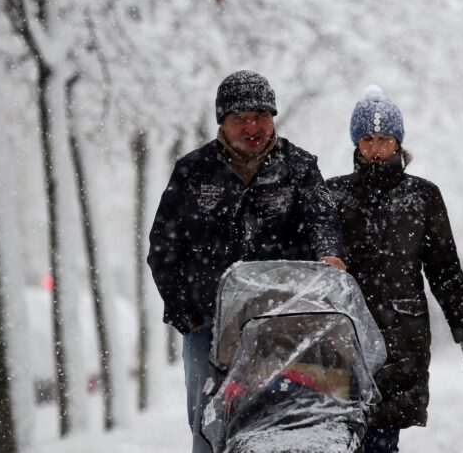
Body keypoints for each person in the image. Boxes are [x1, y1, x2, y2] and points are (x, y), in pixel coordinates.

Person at [147, 70, 346, 453]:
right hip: (209, 326)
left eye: (261, 116)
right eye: (241, 118)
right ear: (222, 121)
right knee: (208, 426)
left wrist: (329, 255)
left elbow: (324, 223)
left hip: (283, 324)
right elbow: (164, 248)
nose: (252, 127)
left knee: (279, 422)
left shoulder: (300, 168)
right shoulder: (193, 170)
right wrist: (185, 313)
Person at [325, 85, 463, 453]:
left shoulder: (423, 196)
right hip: (345, 338)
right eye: (367, 139)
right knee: (341, 436)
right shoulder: (333, 195)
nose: (376, 148)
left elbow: (445, 270)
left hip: (401, 337)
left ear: (398, 142)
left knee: (382, 438)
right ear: (356, 142)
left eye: (384, 139)